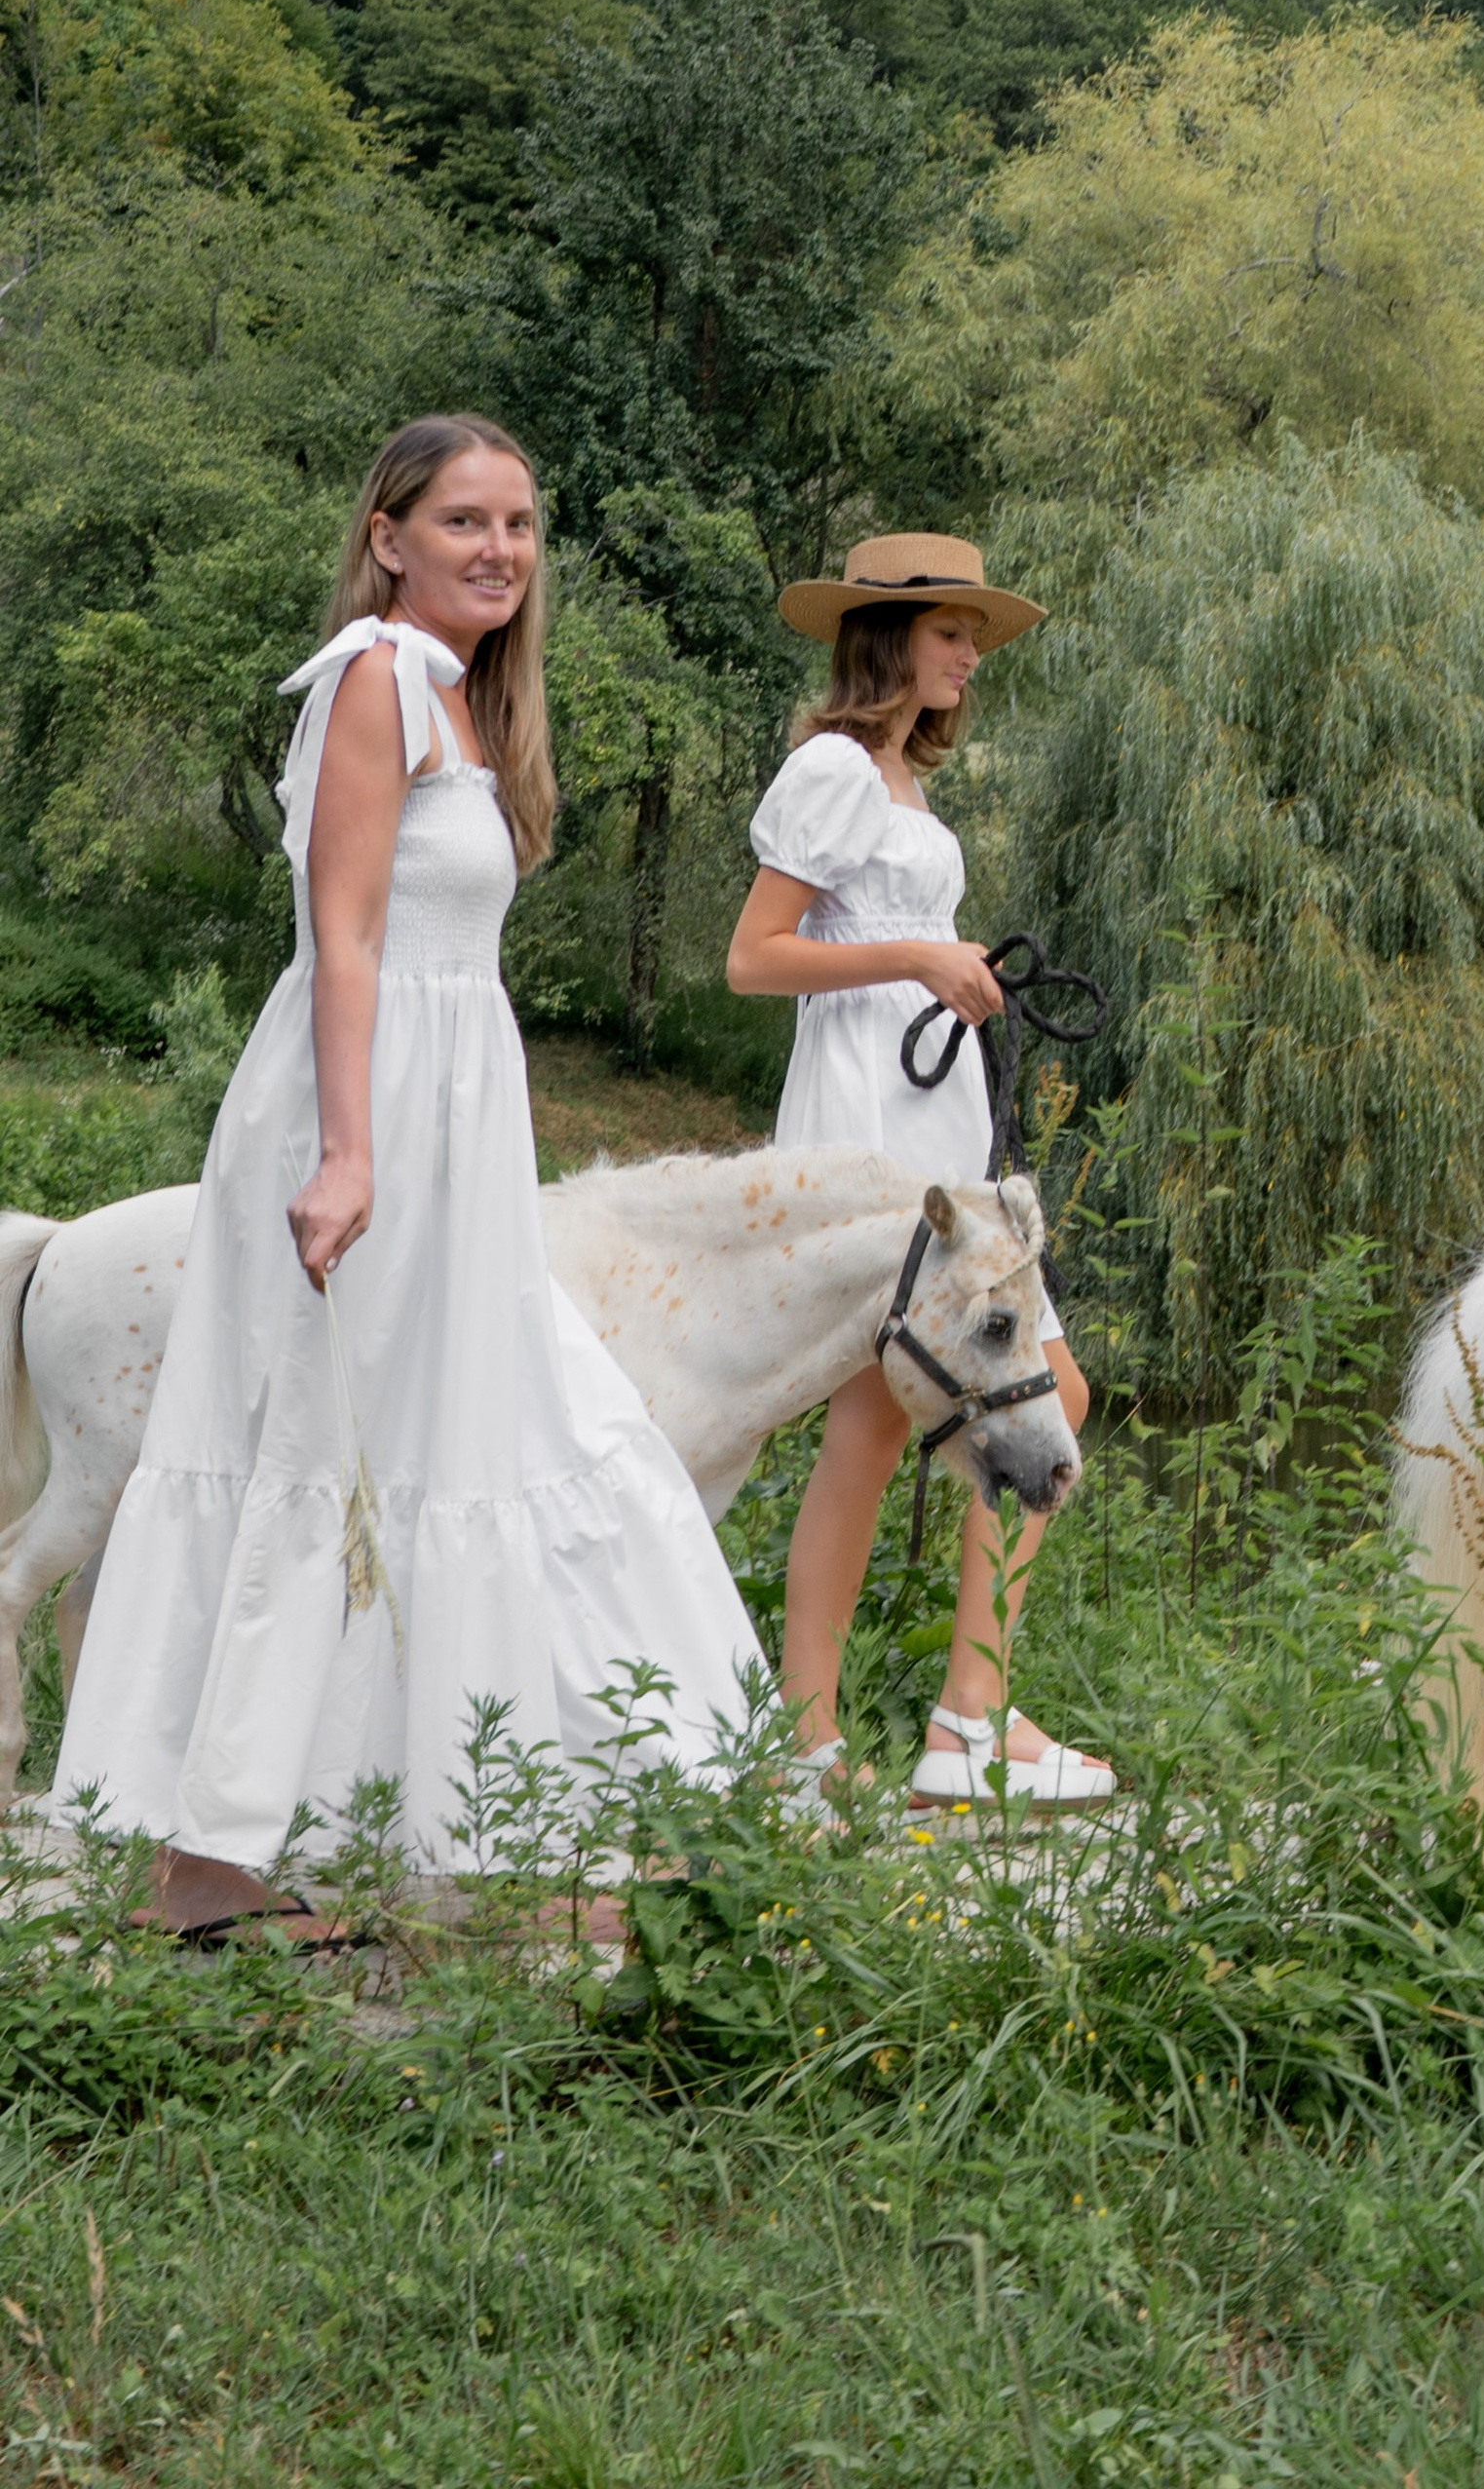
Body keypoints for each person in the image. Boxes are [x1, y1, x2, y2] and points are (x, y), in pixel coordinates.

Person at [55, 417, 765, 1937]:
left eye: (518, 522)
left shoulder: (459, 699)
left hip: (453, 1113)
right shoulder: (375, 679)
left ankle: (515, 1828)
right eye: (463, 521)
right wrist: (353, 1152)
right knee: (324, 1455)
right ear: (388, 536)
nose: (498, 548)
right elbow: (347, 935)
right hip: (359, 1109)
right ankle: (207, 1875)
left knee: (482, 1448)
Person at [725, 532, 1113, 1808]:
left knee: (1040, 1391)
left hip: (934, 1123)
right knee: (880, 1422)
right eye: (953, 632)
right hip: (865, 1126)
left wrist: (952, 973)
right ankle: (828, 1737)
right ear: (891, 638)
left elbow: (885, 937)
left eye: (977, 638)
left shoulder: (899, 782)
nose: (970, 656)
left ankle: (955, 1718)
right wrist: (917, 959)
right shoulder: (834, 767)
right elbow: (757, 958)